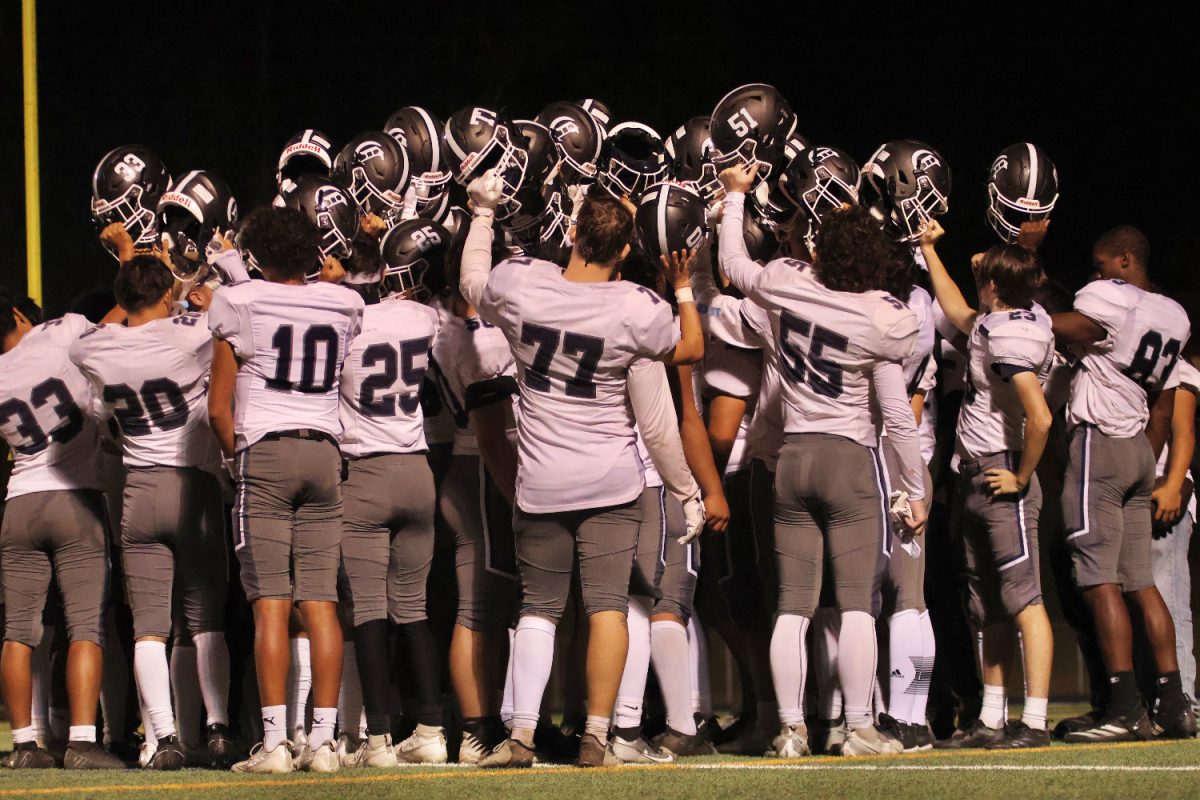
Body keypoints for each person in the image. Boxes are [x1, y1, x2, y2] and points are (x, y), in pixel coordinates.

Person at [459, 172, 705, 768]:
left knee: (538, 611)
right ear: (624, 251)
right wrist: (684, 287)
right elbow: (690, 349)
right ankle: (597, 735)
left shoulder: (523, 285)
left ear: (570, 233)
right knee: (607, 608)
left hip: (541, 478)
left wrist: (484, 214)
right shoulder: (635, 307)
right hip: (612, 482)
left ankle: (519, 738)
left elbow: (471, 281)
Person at [715, 162, 928, 757]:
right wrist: (916, 488)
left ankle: (789, 728)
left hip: (790, 459)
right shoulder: (883, 316)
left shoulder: (788, 282)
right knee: (856, 603)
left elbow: (733, 266)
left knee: (792, 606)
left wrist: (734, 199)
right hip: (848, 460)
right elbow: (896, 415)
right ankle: (858, 726)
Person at [207, 207, 365, 773]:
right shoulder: (345, 303)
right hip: (325, 451)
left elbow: (217, 410)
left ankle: (275, 743)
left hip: (267, 450)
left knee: (271, 604)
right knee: (321, 602)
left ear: (257, 255)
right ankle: (323, 743)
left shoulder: (239, 302)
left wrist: (237, 459)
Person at [69, 257, 236, 769]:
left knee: (149, 627)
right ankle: (218, 729)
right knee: (205, 620)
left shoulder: (94, 346)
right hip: (194, 484)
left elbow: (97, 341)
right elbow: (230, 315)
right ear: (165, 296)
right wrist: (195, 291)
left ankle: (162, 737)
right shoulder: (187, 332)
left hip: (138, 493)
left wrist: (145, 293)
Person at [1053, 226, 1196, 741]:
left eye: (1101, 263)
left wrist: (1018, 314)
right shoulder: (1173, 315)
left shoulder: (1111, 301)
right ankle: (1174, 703)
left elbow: (1057, 327)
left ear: (1126, 260)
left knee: (1098, 579)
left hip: (1101, 443)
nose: (1095, 273)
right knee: (1141, 581)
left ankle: (1122, 706)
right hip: (1139, 449)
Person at [919, 222, 1056, 748]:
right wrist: (931, 251)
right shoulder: (1009, 317)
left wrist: (1022, 477)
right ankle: (993, 719)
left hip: (1004, 473)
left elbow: (1040, 417)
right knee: (988, 607)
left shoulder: (1010, 331)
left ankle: (1036, 721)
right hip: (975, 472)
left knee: (1025, 600)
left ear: (995, 286)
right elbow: (959, 312)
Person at [0, 287, 125, 770]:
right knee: (85, 629)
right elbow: (115, 329)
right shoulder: (66, 329)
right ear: (16, 312)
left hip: (19, 502)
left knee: (17, 634)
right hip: (75, 499)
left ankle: (25, 744)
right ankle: (81, 741)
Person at [335, 223, 445, 768]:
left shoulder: (339, 323)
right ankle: (431, 728)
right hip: (416, 470)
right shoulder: (419, 316)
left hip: (365, 473)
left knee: (370, 612)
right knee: (415, 609)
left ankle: (376, 738)